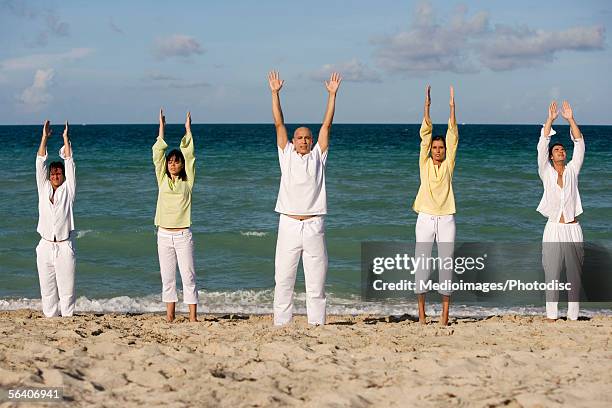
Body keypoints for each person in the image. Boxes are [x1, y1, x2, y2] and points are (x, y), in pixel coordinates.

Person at [268, 70, 342, 326]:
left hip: (313, 225)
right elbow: (279, 124)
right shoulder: (286, 154)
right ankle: (281, 324)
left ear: (311, 142)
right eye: (299, 137)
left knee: (316, 282)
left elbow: (326, 126)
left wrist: (332, 96)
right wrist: (275, 94)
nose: (303, 141)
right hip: (288, 223)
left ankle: (317, 325)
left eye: (306, 138)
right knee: (284, 280)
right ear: (293, 140)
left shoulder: (318, 156)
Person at [412, 85, 458, 326]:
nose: (438, 150)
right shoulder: (424, 162)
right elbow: (425, 133)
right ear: (430, 150)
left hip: (447, 218)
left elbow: (452, 134)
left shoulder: (449, 163)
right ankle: (421, 315)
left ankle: (444, 316)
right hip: (425, 218)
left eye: (441, 148)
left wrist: (452, 107)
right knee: (422, 264)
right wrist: (427, 106)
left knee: (446, 265)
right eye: (435, 148)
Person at [538, 100, 585, 321]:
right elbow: (542, 142)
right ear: (550, 156)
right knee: (552, 274)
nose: (561, 151)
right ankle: (552, 316)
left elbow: (580, 143)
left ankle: (573, 317)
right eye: (557, 149)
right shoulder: (545, 172)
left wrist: (570, 119)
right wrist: (550, 120)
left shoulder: (573, 170)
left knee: (574, 275)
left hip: (573, 228)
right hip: (553, 229)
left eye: (562, 149)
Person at [153, 109, 198, 322]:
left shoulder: (188, 182)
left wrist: (187, 129)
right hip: (163, 235)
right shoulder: (162, 179)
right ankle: (169, 316)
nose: (173, 164)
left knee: (188, 277)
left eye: (176, 161)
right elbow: (157, 156)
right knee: (168, 279)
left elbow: (189, 156)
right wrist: (162, 128)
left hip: (183, 235)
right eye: (170, 161)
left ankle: (192, 317)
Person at [36, 120, 76, 317]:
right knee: (47, 290)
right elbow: (40, 161)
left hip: (64, 245)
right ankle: (51, 318)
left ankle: (68, 319)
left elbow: (69, 163)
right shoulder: (43, 188)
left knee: (67, 291)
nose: (55, 175)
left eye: (58, 173)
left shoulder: (69, 190)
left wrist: (65, 139)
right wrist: (44, 137)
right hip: (44, 245)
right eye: (53, 173)